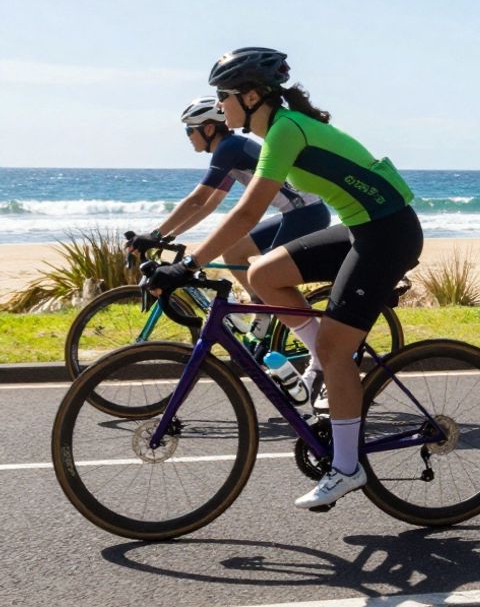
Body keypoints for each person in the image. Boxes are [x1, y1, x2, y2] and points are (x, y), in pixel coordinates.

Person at [147, 47, 423, 510]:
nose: (220, 105)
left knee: (338, 351)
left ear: (252, 95)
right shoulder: (278, 129)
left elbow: (249, 211)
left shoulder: (284, 132)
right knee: (262, 273)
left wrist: (190, 264)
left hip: (388, 233)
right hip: (362, 227)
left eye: (225, 96)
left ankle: (347, 467)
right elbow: (240, 212)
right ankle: (320, 361)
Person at [128, 98, 330, 339]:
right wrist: (169, 236)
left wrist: (155, 235)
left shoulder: (230, 148)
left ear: (209, 129)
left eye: (189, 130)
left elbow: (197, 200)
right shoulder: (232, 152)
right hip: (296, 213)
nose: (188, 136)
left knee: (267, 275)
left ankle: (307, 335)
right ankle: (262, 310)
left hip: (307, 215)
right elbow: (208, 205)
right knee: (234, 251)